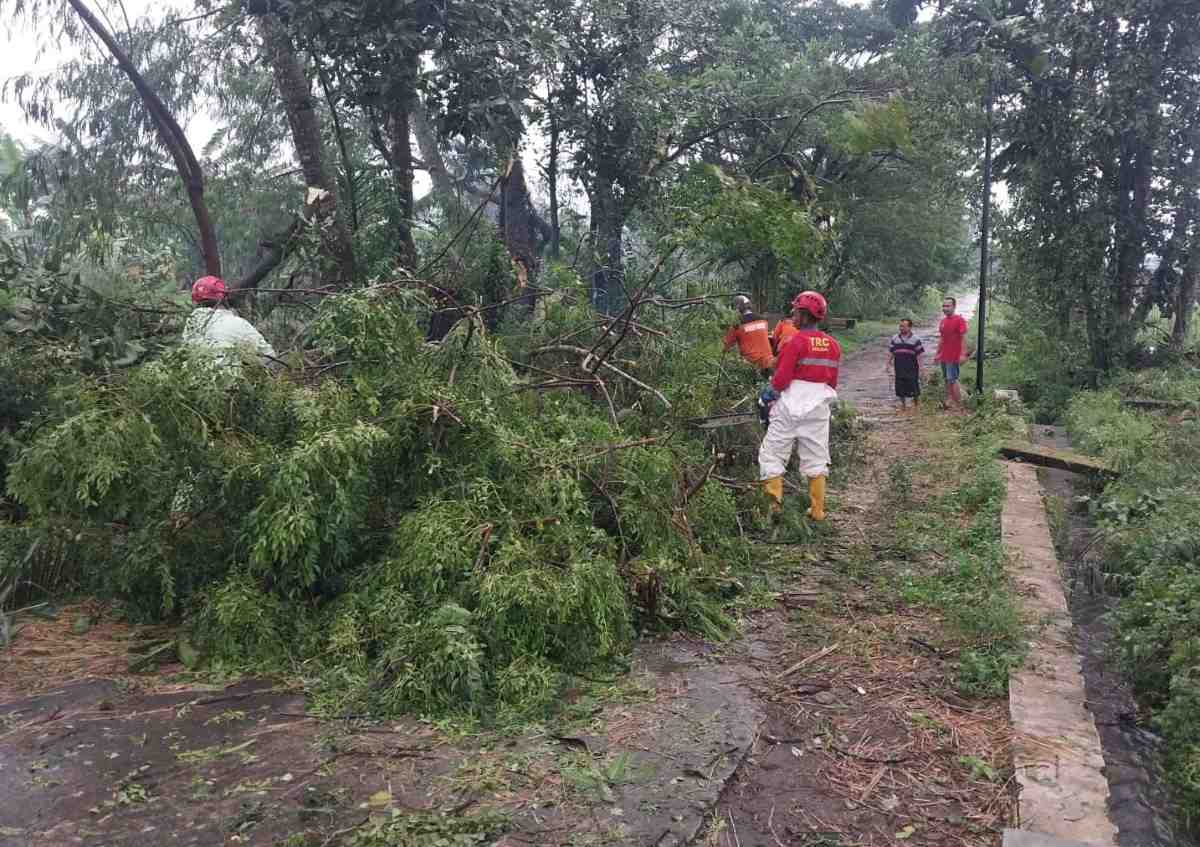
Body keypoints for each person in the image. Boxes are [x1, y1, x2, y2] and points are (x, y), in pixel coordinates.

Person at [758, 290, 841, 521]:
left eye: (795, 311)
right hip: (818, 406)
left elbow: (782, 379)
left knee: (772, 454)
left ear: (804, 315)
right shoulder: (833, 345)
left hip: (790, 404)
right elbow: (832, 381)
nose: (792, 314)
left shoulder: (794, 341)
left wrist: (767, 396)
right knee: (816, 457)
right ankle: (817, 511)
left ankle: (773, 509)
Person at [182, 276, 277, 370]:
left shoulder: (190, 325)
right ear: (224, 297)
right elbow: (269, 358)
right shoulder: (238, 324)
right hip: (233, 383)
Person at [723, 294, 774, 373]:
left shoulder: (737, 325)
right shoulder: (763, 320)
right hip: (769, 362)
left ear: (737, 309)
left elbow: (726, 346)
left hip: (751, 365)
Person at [935, 296, 969, 411]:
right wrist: (937, 354)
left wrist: (963, 354)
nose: (945, 308)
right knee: (946, 379)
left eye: (948, 306)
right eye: (943, 306)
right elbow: (942, 339)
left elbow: (963, 337)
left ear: (954, 307)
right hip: (944, 356)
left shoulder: (959, 320)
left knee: (952, 379)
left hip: (953, 356)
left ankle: (959, 406)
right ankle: (950, 401)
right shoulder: (943, 321)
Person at [886, 318, 924, 413]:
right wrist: (888, 363)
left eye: (904, 326)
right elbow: (891, 352)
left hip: (912, 367)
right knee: (900, 386)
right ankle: (903, 406)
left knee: (913, 385)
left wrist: (922, 368)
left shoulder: (916, 339)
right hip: (899, 367)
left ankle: (916, 405)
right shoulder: (895, 338)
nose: (901, 328)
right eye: (900, 326)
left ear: (910, 327)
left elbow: (919, 355)